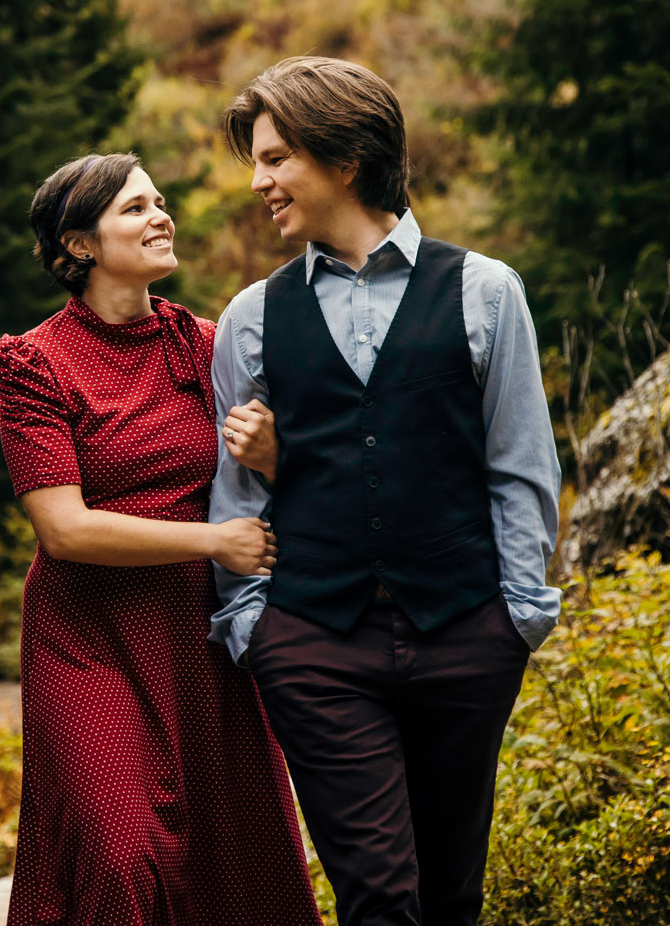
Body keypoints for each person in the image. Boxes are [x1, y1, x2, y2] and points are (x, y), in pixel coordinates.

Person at [208, 56, 563, 926]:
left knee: (451, 895)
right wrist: (255, 627)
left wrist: (516, 617)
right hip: (315, 643)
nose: (259, 182)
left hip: (465, 634)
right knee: (379, 898)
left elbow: (520, 468)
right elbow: (235, 496)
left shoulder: (486, 291)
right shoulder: (251, 317)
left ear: (347, 157)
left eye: (277, 157)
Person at [0, 151, 324, 926]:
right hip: (87, 637)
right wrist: (214, 541)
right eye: (135, 208)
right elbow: (64, 529)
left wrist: (276, 453)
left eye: (160, 201)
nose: (161, 216)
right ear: (78, 244)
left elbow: (290, 471)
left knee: (235, 850)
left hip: (199, 636)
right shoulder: (32, 363)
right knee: (121, 850)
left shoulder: (206, 343)